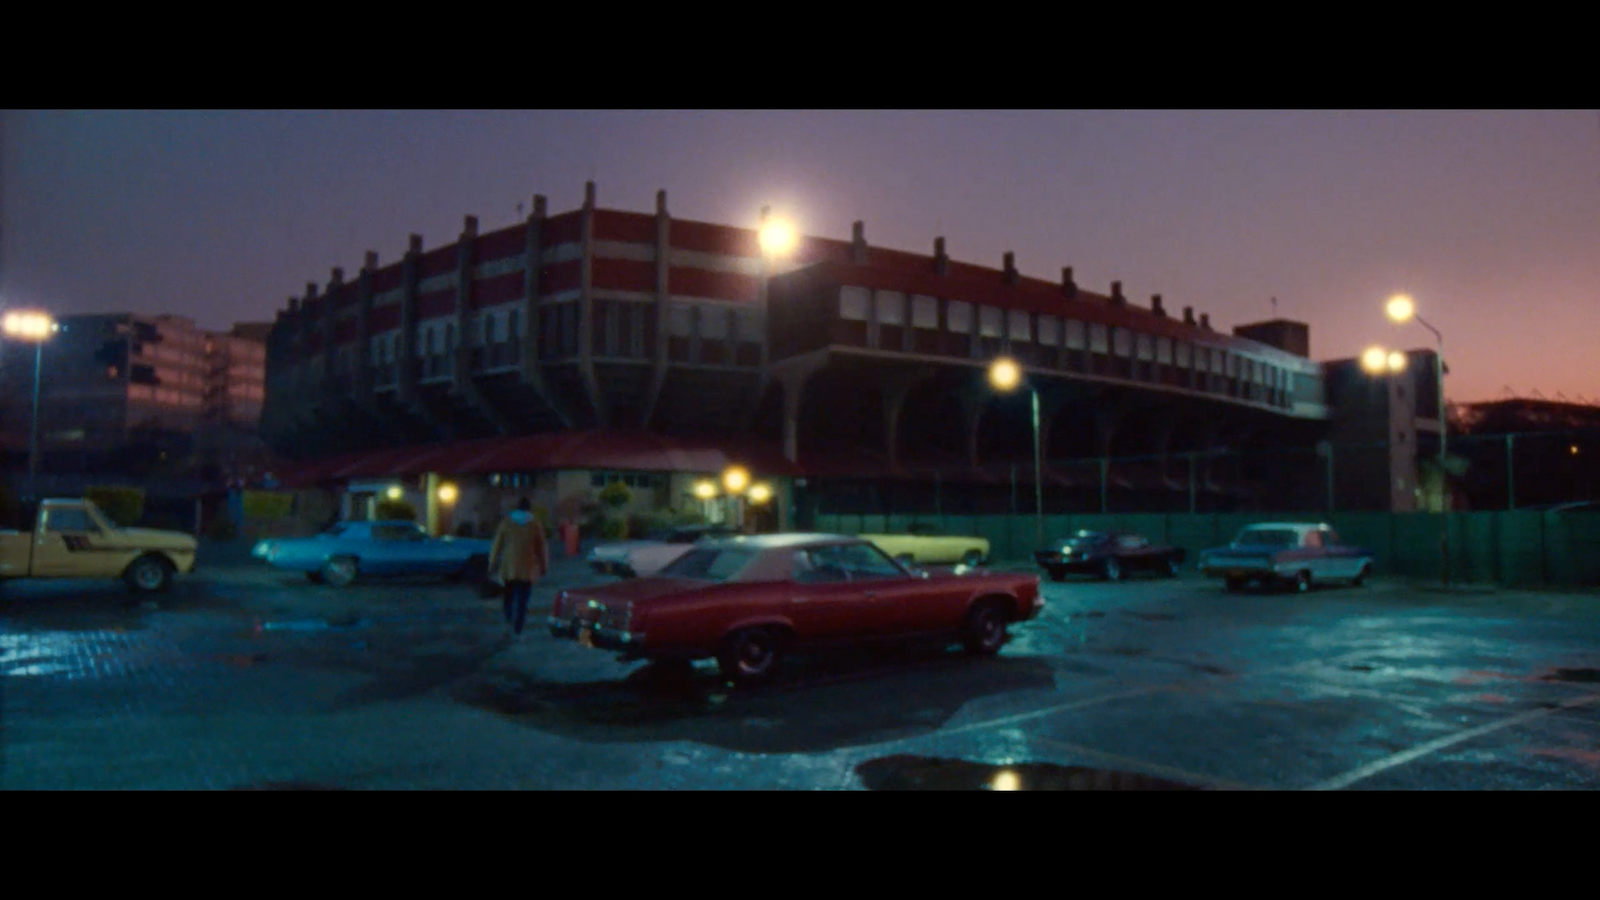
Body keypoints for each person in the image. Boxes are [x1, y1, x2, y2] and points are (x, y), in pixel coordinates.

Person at [488, 498, 549, 639]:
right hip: (527, 569)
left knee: (508, 598)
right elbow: (541, 548)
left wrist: (491, 564)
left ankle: (508, 620)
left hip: (508, 568)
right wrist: (543, 565)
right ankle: (518, 627)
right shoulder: (535, 524)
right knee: (522, 600)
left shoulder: (506, 523)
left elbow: (497, 545)